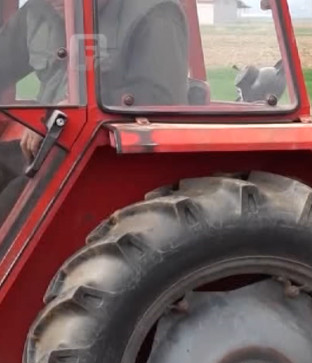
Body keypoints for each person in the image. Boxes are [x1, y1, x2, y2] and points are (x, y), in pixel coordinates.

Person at [0, 0, 189, 222]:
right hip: (46, 143)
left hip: (101, 153)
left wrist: (67, 107)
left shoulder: (154, 12)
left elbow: (159, 99)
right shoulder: (39, 12)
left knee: (10, 210)